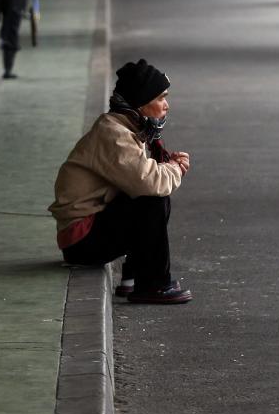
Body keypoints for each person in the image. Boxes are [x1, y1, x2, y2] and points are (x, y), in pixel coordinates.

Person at [51, 59, 193, 304]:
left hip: (87, 231)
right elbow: (149, 182)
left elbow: (139, 176)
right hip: (81, 240)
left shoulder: (123, 126)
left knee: (147, 197)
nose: (166, 106)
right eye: (160, 98)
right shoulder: (114, 135)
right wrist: (175, 168)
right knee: (152, 201)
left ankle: (134, 276)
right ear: (140, 103)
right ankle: (153, 284)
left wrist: (167, 166)